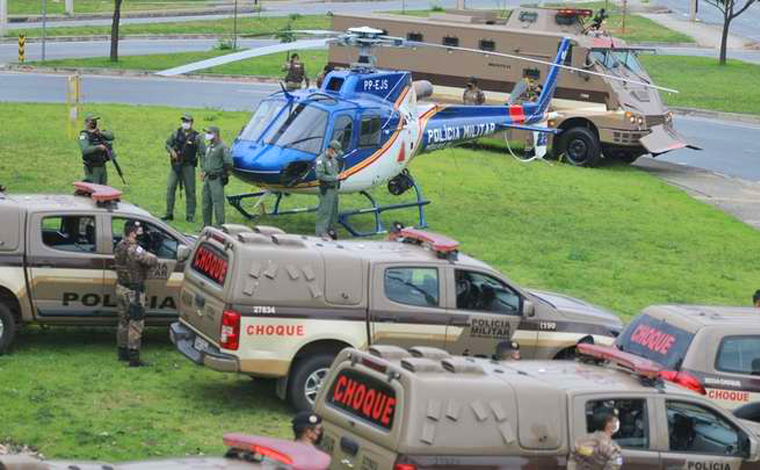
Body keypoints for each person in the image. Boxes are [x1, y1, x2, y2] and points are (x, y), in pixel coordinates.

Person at [114, 220, 158, 367]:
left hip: (121, 288)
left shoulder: (120, 245)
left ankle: (122, 353)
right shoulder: (135, 249)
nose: (141, 232)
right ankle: (134, 358)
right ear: (132, 232)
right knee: (136, 323)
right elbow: (152, 260)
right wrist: (151, 251)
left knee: (123, 321)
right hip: (134, 291)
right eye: (138, 230)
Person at [164, 113, 205, 223]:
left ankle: (190, 215)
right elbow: (167, 144)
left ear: (191, 123)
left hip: (188, 166)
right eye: (183, 121)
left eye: (187, 121)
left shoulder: (197, 136)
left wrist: (203, 169)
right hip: (175, 165)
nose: (184, 123)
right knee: (170, 188)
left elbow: (202, 153)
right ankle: (169, 214)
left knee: (190, 191)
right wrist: (172, 151)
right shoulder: (176, 133)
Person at [200, 126, 233, 228]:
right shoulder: (209, 146)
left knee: (218, 203)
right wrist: (203, 171)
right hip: (207, 178)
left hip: (216, 179)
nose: (207, 135)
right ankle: (206, 225)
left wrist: (223, 174)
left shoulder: (222, 147)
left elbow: (229, 163)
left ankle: (220, 226)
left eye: (209, 133)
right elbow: (207, 161)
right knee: (206, 202)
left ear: (215, 134)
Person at [315, 139, 342, 239]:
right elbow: (320, 176)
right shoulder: (321, 160)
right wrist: (335, 178)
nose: (336, 154)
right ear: (330, 149)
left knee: (333, 212)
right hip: (326, 189)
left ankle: (331, 230)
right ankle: (321, 232)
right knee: (325, 211)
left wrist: (341, 177)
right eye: (335, 152)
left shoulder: (333, 160)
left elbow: (335, 173)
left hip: (334, 189)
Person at [79, 112, 115, 185]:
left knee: (103, 187)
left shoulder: (99, 133)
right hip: (92, 167)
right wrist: (98, 148)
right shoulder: (84, 135)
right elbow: (85, 150)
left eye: (95, 121)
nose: (94, 123)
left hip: (102, 165)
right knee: (94, 187)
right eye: (92, 121)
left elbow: (111, 136)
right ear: (86, 122)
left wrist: (100, 133)